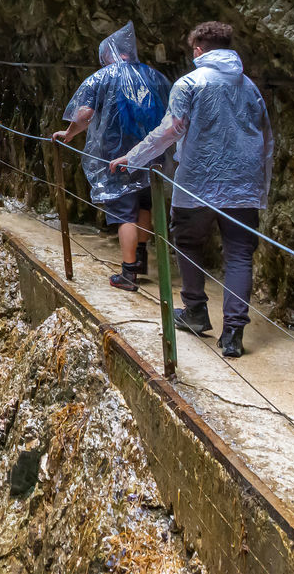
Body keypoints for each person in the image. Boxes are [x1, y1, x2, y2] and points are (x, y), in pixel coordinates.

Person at [110, 21, 272, 358]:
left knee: (187, 242)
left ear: (198, 49)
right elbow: (265, 139)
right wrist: (260, 187)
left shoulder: (190, 83)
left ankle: (196, 312)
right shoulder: (250, 87)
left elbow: (171, 130)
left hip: (197, 182)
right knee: (240, 255)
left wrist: (134, 156)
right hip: (243, 185)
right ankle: (233, 334)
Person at [52, 22, 171, 292]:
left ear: (110, 54)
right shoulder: (154, 76)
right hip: (152, 154)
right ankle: (140, 259)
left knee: (123, 212)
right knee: (144, 206)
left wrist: (69, 133)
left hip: (117, 156)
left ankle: (128, 273)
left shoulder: (102, 78)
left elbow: (84, 114)